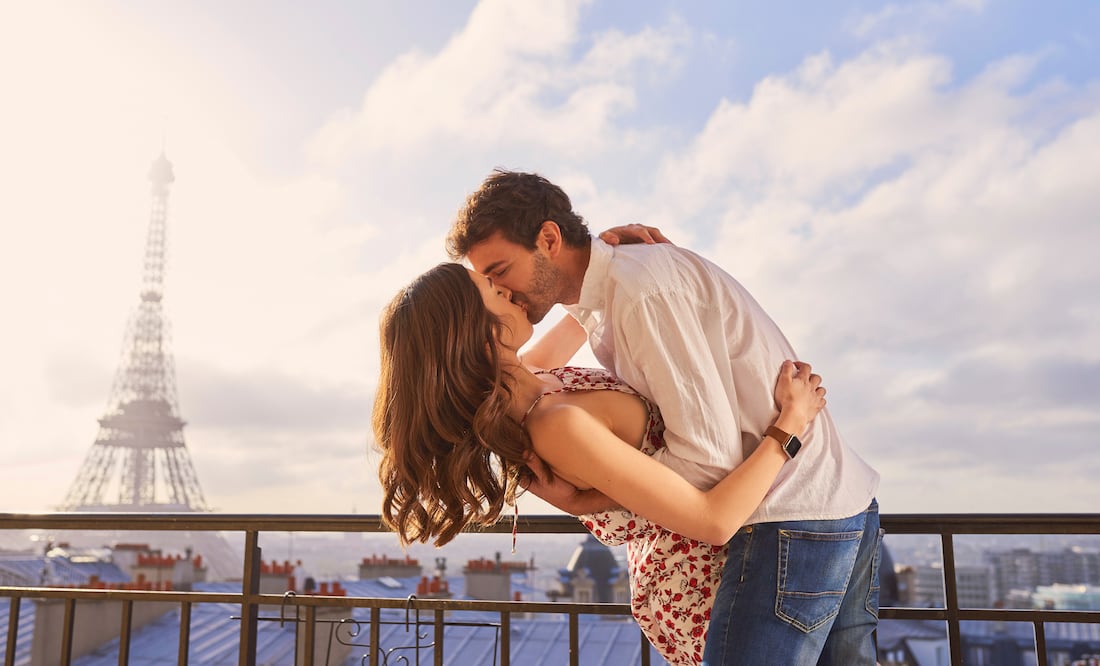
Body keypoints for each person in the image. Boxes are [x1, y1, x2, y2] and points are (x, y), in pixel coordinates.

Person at [446, 170, 882, 665]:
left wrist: (591, 497)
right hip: (819, 500)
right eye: (491, 284)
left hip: (786, 515)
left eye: (500, 271)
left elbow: (706, 464)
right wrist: (602, 255)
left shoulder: (639, 292)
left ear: (548, 239)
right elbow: (545, 348)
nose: (503, 290)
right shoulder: (609, 299)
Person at [372, 262, 827, 664]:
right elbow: (714, 520)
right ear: (481, 332)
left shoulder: (532, 379)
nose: (507, 290)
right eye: (493, 290)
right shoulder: (554, 425)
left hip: (728, 566)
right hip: (705, 583)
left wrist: (607, 251)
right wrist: (790, 424)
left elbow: (582, 308)